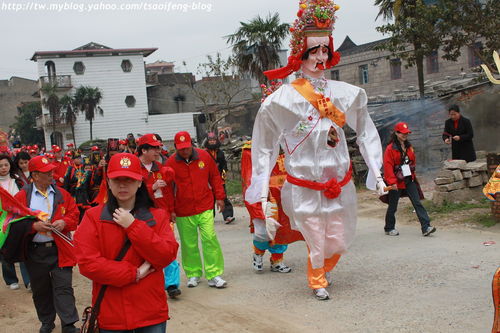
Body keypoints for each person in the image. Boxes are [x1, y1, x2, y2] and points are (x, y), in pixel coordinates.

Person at [246, 0, 388, 300]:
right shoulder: (281, 101)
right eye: (314, 51)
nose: (321, 58)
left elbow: (366, 132)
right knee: (314, 233)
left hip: (338, 181)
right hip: (304, 183)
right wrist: (259, 194)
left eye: (325, 50)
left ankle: (324, 269)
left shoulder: (348, 94)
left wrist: (378, 173)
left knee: (338, 238)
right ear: (302, 54)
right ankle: (317, 278)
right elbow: (264, 148)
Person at [74, 153, 178, 333]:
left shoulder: (158, 216)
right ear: (108, 182)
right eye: (117, 179)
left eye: (129, 180)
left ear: (139, 182)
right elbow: (87, 263)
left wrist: (133, 226)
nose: (123, 185)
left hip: (150, 312)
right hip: (112, 313)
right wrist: (134, 273)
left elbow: (166, 254)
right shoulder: (93, 217)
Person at [14, 155, 80, 333]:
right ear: (34, 176)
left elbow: (74, 214)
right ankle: (47, 322)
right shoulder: (22, 196)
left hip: (60, 249)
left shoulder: (62, 194)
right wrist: (33, 226)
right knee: (41, 290)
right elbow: (13, 222)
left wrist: (64, 222)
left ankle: (68, 323)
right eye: (46, 172)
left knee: (64, 287)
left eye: (51, 171)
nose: (52, 174)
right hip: (35, 252)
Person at [166, 131, 228, 289]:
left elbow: (215, 177)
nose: (184, 151)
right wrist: (170, 210)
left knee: (210, 238)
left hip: (204, 205)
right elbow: (167, 188)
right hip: (183, 210)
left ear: (191, 145)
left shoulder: (204, 156)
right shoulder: (171, 163)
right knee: (189, 244)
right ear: (175, 148)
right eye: (181, 149)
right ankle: (193, 273)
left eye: (186, 148)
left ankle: (214, 274)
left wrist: (220, 197)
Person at [241, 142, 303, 273]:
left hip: (284, 193)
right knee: (262, 231)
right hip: (264, 195)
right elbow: (248, 177)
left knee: (282, 229)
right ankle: (258, 253)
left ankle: (277, 260)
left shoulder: (287, 142)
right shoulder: (251, 149)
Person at [383, 122, 436, 237]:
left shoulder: (409, 147)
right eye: (402, 133)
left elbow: (412, 162)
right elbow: (387, 167)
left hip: (408, 179)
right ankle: (389, 227)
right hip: (396, 182)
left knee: (417, 203)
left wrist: (412, 173)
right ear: (396, 133)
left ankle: (426, 227)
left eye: (406, 133)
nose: (405, 135)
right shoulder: (390, 149)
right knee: (393, 206)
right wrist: (392, 182)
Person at [0, 154, 30, 291]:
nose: (3, 168)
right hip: (1, 221)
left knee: (23, 247)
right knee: (5, 249)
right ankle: (11, 279)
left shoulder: (18, 181)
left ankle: (28, 280)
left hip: (18, 218)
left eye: (6, 165)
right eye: (0, 166)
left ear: (11, 165)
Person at [204, 132, 235, 224]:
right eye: (210, 140)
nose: (212, 142)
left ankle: (228, 216)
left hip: (219, 179)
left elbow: (224, 166)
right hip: (208, 180)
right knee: (209, 199)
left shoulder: (220, 153)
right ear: (207, 141)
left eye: (214, 140)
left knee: (223, 197)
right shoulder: (204, 153)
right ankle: (208, 218)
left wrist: (223, 176)